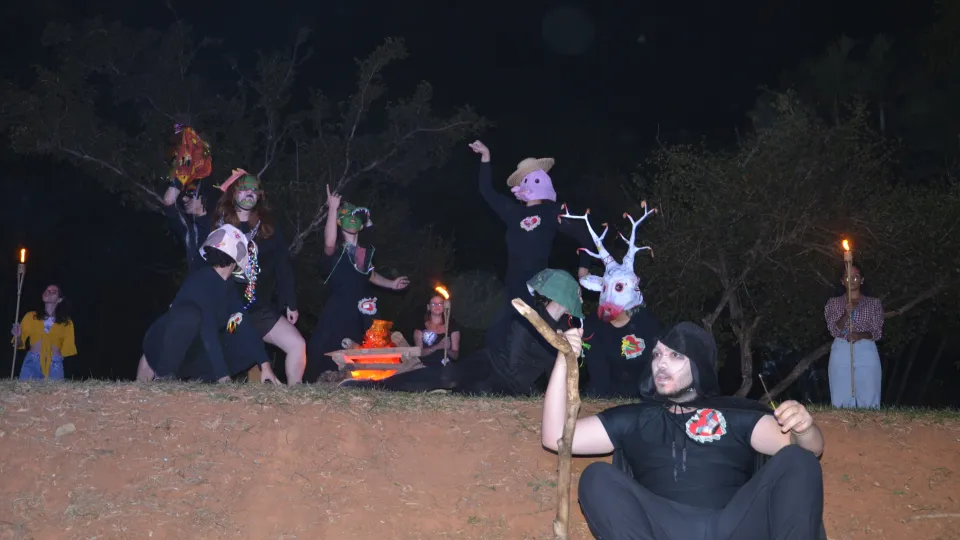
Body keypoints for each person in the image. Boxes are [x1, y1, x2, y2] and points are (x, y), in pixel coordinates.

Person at [541, 322, 825, 540]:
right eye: (656, 355)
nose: (661, 363)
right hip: (663, 527)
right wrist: (563, 359)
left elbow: (808, 451)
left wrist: (804, 428)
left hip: (734, 525)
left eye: (675, 355)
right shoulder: (635, 418)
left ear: (698, 363)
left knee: (797, 460)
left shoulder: (736, 414)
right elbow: (556, 437)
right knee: (596, 477)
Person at [347, 269, 584, 395]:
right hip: (490, 363)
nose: (580, 301)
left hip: (509, 386)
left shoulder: (565, 333)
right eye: (577, 296)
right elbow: (514, 358)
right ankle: (377, 386)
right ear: (563, 296)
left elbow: (553, 373)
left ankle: (444, 395)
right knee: (448, 376)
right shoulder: (529, 315)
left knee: (471, 393)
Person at [467, 141, 591, 349]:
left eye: (536, 178)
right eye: (526, 179)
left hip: (537, 288)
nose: (531, 183)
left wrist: (584, 268)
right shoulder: (513, 212)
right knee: (495, 339)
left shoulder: (552, 212)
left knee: (532, 341)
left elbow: (585, 235)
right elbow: (486, 191)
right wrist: (486, 156)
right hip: (511, 288)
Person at [136, 224, 279, 384]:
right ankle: (164, 375)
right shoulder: (200, 281)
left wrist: (265, 365)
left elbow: (242, 323)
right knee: (190, 315)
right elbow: (207, 328)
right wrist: (223, 376)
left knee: (241, 339)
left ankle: (198, 381)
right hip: (163, 347)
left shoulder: (228, 287)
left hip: (192, 352)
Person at [207, 169, 306, 385]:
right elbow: (202, 265)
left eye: (254, 190)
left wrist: (290, 303)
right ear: (233, 193)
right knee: (222, 360)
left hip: (259, 308)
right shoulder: (219, 226)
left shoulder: (267, 228)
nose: (249, 193)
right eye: (243, 189)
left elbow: (282, 266)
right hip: (225, 310)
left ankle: (296, 395)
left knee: (297, 344)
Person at [305, 185, 410, 382]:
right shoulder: (336, 251)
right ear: (339, 221)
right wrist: (333, 208)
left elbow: (369, 275)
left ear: (361, 226)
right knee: (324, 350)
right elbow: (328, 243)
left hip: (361, 310)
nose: (352, 219)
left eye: (356, 217)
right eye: (347, 215)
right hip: (338, 309)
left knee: (367, 350)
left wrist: (392, 284)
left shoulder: (363, 253)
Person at [824, 263, 883, 408]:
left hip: (866, 348)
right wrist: (846, 315)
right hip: (841, 347)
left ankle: (870, 422)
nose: (852, 280)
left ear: (862, 280)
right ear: (842, 281)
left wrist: (860, 335)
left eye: (855, 276)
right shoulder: (833, 303)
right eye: (847, 277)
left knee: (869, 396)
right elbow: (833, 330)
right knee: (841, 397)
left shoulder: (874, 303)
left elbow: (877, 332)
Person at [11, 284, 77, 381]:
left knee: (55, 391)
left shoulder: (66, 322)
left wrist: (56, 360)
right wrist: (18, 336)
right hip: (32, 362)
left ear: (59, 299)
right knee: (25, 390)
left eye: (53, 291)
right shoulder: (31, 316)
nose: (48, 292)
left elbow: (68, 349)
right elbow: (18, 344)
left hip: (54, 364)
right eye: (46, 290)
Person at [414, 293, 460, 367]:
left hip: (446, 368)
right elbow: (419, 353)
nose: (437, 306)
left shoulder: (452, 328)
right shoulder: (420, 329)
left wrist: (447, 349)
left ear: (444, 307)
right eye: (433, 304)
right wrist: (438, 346)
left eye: (440, 304)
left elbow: (455, 356)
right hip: (425, 368)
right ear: (428, 307)